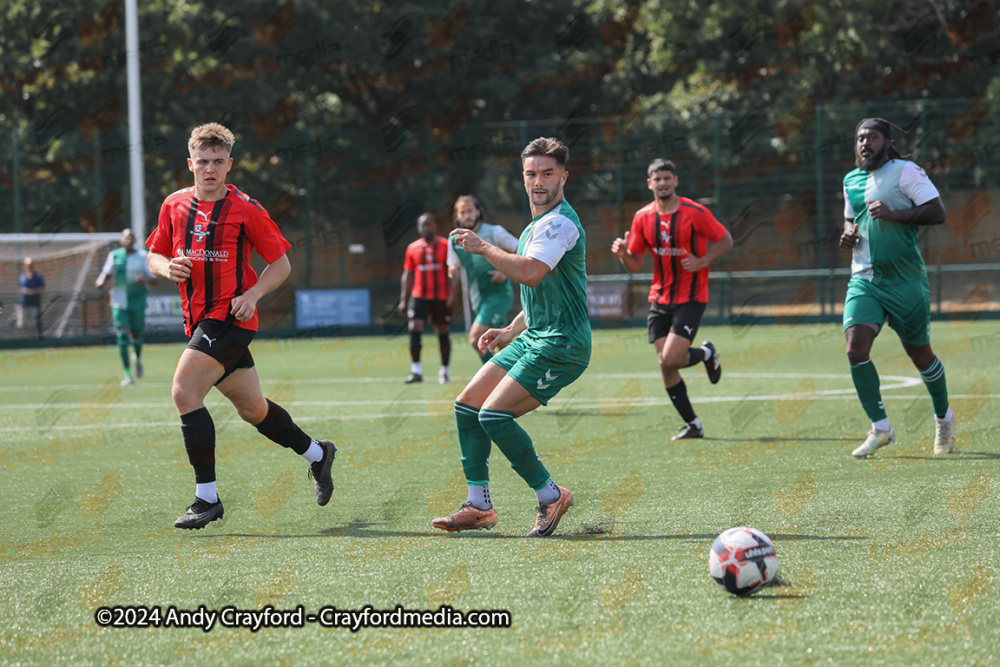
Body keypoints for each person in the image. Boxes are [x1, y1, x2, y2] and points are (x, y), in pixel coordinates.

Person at [146, 122, 336, 530]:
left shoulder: (246, 208)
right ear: (190, 164)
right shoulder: (174, 205)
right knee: (253, 410)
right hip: (198, 320)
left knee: (183, 391)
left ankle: (206, 499)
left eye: (218, 162)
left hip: (231, 319)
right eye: (202, 162)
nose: (210, 169)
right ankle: (318, 455)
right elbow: (155, 254)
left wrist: (252, 296)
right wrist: (167, 267)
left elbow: (281, 263)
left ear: (229, 165)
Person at [433, 137, 589, 538]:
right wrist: (510, 329)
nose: (538, 181)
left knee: (494, 415)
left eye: (547, 173)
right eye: (531, 173)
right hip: (534, 335)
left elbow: (532, 273)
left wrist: (483, 247)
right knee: (467, 405)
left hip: (562, 344)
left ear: (563, 177)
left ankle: (550, 495)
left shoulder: (560, 223)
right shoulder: (537, 224)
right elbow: (541, 290)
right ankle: (479, 505)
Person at [839, 118, 954, 457]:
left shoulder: (906, 171)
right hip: (865, 279)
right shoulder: (850, 179)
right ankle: (881, 428)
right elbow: (851, 216)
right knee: (855, 349)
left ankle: (944, 420)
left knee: (920, 354)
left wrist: (894, 215)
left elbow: (937, 212)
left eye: (872, 137)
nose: (865, 143)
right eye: (860, 138)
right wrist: (847, 232)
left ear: (887, 142)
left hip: (906, 280)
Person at [610, 159, 733, 440]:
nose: (663, 183)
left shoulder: (695, 212)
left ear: (675, 181)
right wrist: (622, 252)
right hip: (660, 296)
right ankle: (694, 425)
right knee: (666, 365)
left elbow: (726, 240)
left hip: (692, 295)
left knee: (673, 357)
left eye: (667, 178)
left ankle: (707, 354)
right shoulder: (643, 217)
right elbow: (634, 263)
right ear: (650, 183)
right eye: (657, 179)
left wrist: (703, 261)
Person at [446, 194, 520, 364]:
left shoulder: (495, 232)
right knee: (504, 346)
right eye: (462, 212)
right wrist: (453, 272)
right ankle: (519, 378)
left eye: (470, 210)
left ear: (478, 212)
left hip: (499, 295)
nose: (467, 215)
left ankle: (492, 379)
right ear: (457, 216)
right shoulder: (453, 241)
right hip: (478, 298)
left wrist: (505, 272)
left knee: (475, 338)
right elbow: (454, 269)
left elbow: (520, 249)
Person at [398, 212, 456, 384]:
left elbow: (454, 271)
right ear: (418, 228)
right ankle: (416, 371)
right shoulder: (413, 248)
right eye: (422, 224)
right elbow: (407, 275)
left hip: (440, 297)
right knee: (414, 328)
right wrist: (403, 299)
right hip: (419, 296)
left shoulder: (446, 245)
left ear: (435, 226)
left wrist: (453, 294)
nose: (426, 227)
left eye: (429, 224)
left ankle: (444, 371)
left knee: (442, 332)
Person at [96, 228, 157, 386]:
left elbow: (154, 279)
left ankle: (137, 357)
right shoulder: (115, 255)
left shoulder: (143, 256)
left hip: (137, 301)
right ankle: (128, 375)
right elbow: (106, 274)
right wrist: (101, 281)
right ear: (122, 240)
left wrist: (144, 280)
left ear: (135, 240)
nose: (128, 240)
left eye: (131, 237)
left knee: (136, 335)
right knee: (122, 335)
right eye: (126, 237)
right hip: (119, 302)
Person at [17, 257, 45, 338]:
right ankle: (25, 341)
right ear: (25, 266)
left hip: (34, 304)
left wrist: (31, 291)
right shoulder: (22, 277)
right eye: (28, 265)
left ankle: (33, 341)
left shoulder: (38, 277)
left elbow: (41, 289)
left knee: (33, 324)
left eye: (31, 265)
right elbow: (20, 290)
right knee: (23, 324)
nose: (30, 267)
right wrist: (17, 303)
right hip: (23, 304)